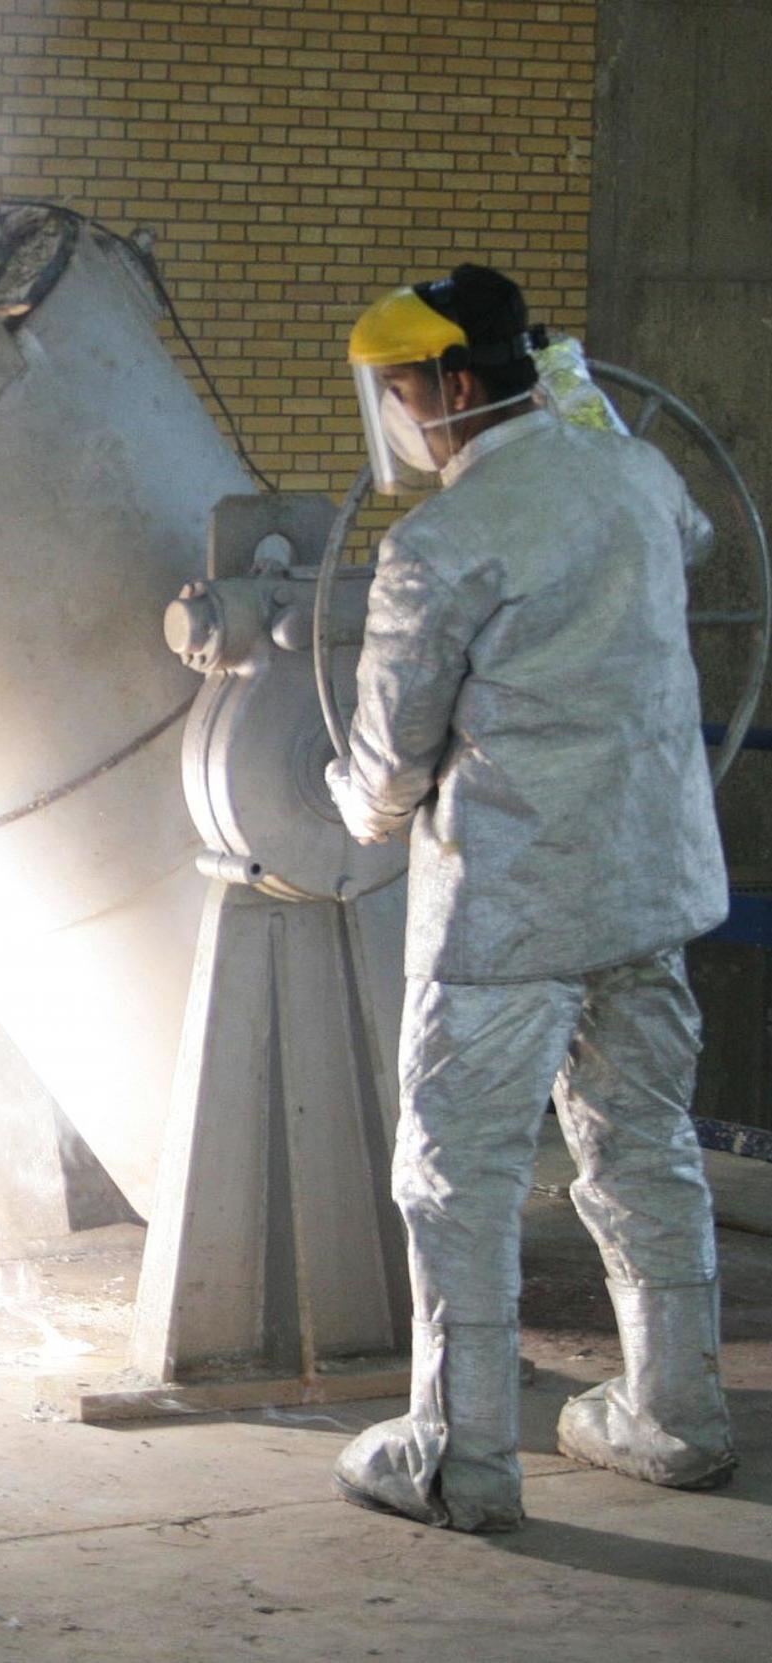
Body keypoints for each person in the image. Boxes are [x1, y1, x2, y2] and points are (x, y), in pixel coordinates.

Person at [325, 265, 736, 1532]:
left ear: (451, 386)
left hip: (508, 912)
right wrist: (578, 414)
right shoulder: (638, 477)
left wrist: (359, 806)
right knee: (645, 1151)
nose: (395, 419)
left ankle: (462, 1457)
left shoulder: (439, 542)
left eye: (400, 394)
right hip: (647, 887)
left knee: (459, 1177)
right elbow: (695, 540)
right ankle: (674, 1418)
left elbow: (393, 759)